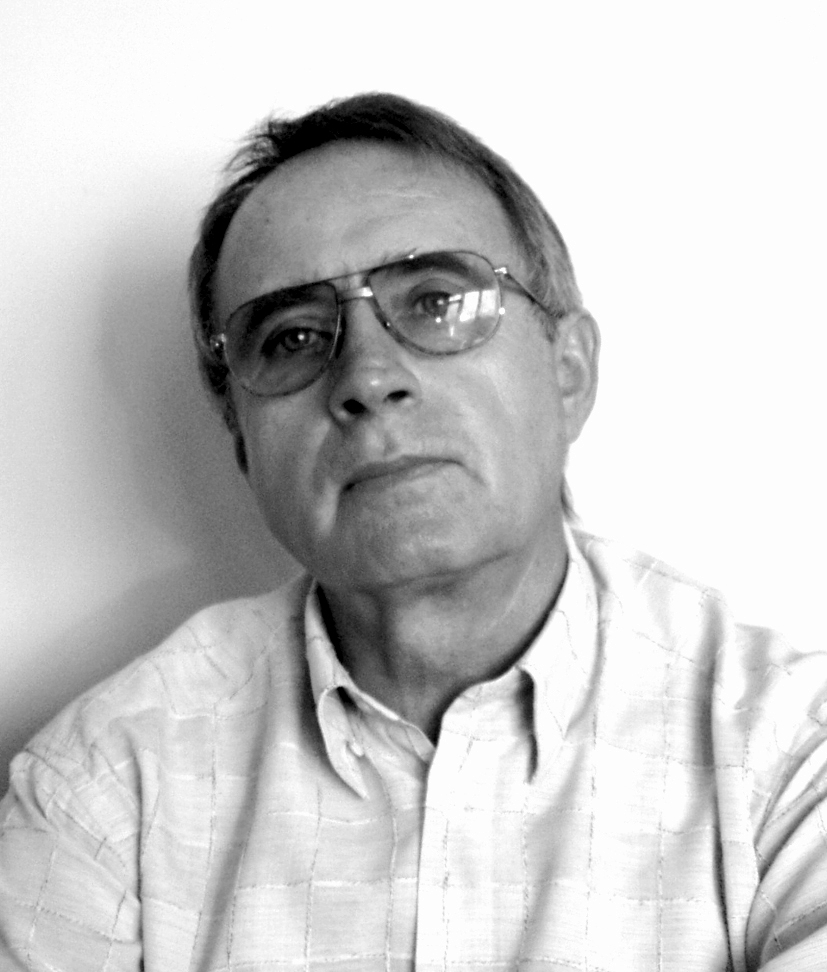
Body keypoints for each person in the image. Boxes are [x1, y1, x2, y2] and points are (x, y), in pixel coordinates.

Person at [0, 93, 825, 972]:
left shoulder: (789, 750)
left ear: (569, 371)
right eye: (294, 336)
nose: (367, 376)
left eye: (435, 301)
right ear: (241, 442)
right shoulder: (101, 790)